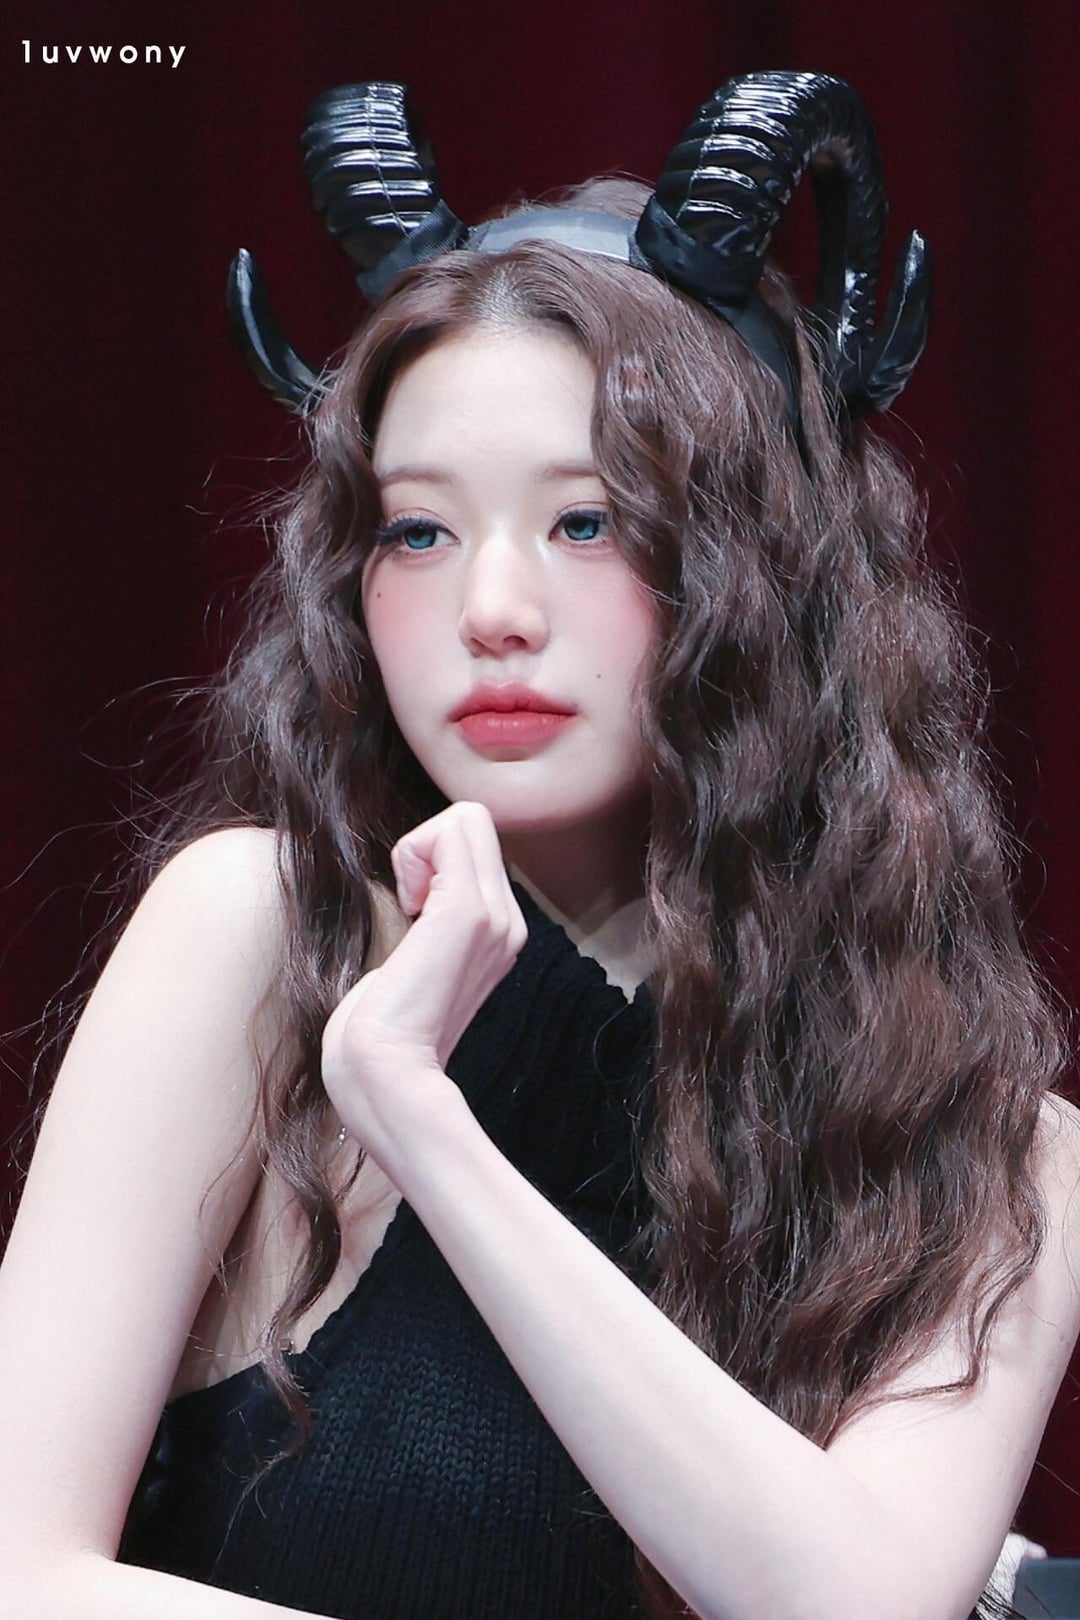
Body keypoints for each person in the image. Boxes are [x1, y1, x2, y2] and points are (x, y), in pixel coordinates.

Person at [1, 72, 1078, 1620]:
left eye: (587, 521)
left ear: (761, 569)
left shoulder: (992, 1143)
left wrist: (426, 1125)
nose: (491, 608)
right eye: (418, 530)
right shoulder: (260, 932)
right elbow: (19, 1571)